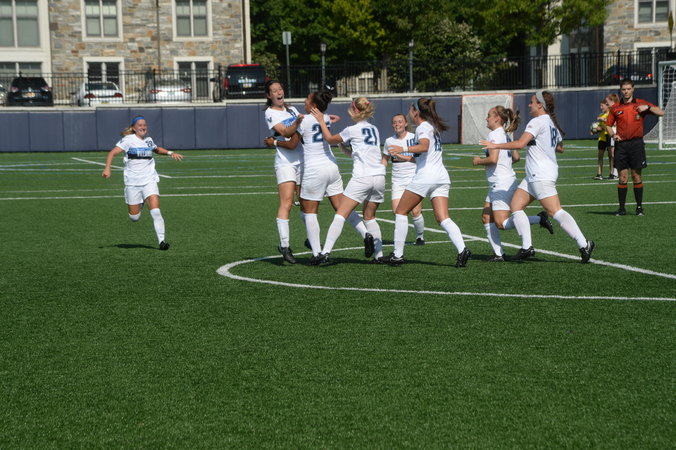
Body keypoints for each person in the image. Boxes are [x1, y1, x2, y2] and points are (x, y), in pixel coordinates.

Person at [480, 90, 595, 263]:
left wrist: (495, 146)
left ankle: (584, 243)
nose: (529, 105)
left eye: (532, 102)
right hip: (535, 174)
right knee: (516, 206)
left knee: (555, 211)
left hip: (540, 173)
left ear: (540, 105)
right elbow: (560, 148)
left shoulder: (537, 121)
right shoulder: (550, 122)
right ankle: (527, 247)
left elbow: (520, 144)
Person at [381, 98, 471, 267]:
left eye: (410, 109)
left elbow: (424, 146)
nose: (409, 112)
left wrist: (403, 148)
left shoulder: (422, 128)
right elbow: (423, 155)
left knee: (400, 211)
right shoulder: (431, 127)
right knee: (443, 218)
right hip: (441, 177)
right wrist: (404, 156)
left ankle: (397, 255)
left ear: (416, 112)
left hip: (426, 177)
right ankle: (463, 249)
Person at [295, 90, 374, 265]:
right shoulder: (326, 118)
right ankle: (365, 233)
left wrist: (279, 136)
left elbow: (292, 138)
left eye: (307, 99)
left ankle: (317, 253)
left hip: (315, 168)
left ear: (314, 105)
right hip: (331, 166)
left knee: (309, 211)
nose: (304, 101)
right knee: (341, 207)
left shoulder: (305, 120)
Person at [309, 97, 386, 264]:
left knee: (340, 214)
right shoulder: (374, 129)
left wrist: (321, 120)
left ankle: (325, 253)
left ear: (356, 110)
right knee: (370, 217)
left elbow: (329, 139)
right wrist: (344, 149)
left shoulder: (352, 130)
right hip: (379, 177)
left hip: (362, 177)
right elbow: (362, 154)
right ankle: (379, 255)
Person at [473, 105, 554, 262]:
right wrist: (504, 164)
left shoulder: (494, 135)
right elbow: (516, 157)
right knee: (486, 217)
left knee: (501, 223)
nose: (486, 118)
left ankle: (539, 219)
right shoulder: (505, 134)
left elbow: (493, 159)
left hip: (500, 183)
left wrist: (478, 161)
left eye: (489, 115)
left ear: (497, 118)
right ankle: (499, 254)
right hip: (501, 181)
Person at [102, 115, 183, 250]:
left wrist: (170, 153)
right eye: (139, 125)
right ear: (134, 128)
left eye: (144, 125)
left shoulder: (149, 141)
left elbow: (156, 149)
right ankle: (141, 203)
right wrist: (107, 168)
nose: (143, 127)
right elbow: (112, 153)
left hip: (149, 181)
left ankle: (162, 241)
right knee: (134, 217)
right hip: (132, 183)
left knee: (156, 211)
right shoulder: (128, 140)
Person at [605, 79, 664, 216]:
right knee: (622, 177)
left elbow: (661, 112)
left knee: (636, 176)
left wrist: (647, 107)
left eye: (628, 89)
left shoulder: (640, 104)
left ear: (633, 89)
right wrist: (613, 135)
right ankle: (621, 209)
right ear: (621, 90)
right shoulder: (615, 108)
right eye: (623, 89)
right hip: (621, 145)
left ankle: (639, 208)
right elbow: (608, 125)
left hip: (636, 144)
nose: (626, 92)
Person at [263, 80, 305, 264]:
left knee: (305, 202)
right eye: (274, 91)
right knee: (287, 203)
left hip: (302, 160)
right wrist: (298, 123)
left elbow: (300, 134)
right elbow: (285, 132)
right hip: (285, 163)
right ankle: (285, 246)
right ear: (269, 95)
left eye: (280, 89)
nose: (278, 92)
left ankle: (312, 241)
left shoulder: (293, 110)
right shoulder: (270, 113)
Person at [382, 114, 425, 245]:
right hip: (397, 181)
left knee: (415, 211)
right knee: (397, 211)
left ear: (406, 124)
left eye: (400, 122)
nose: (397, 124)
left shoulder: (414, 138)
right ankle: (400, 241)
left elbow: (418, 159)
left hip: (414, 178)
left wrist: (400, 156)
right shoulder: (389, 141)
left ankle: (420, 237)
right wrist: (380, 174)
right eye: (395, 122)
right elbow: (385, 159)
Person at [591, 100, 613, 180]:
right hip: (602, 137)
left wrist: (603, 119)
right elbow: (600, 127)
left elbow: (612, 124)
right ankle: (599, 174)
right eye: (600, 106)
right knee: (600, 156)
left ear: (607, 105)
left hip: (609, 136)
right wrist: (594, 130)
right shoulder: (601, 115)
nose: (601, 107)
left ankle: (612, 174)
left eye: (602, 106)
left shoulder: (611, 114)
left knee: (611, 156)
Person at [604, 93, 620, 179]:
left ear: (613, 101)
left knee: (614, 154)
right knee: (611, 154)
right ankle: (613, 172)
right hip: (611, 134)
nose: (606, 103)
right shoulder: (611, 111)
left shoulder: (618, 109)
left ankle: (616, 173)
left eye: (607, 101)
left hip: (616, 133)